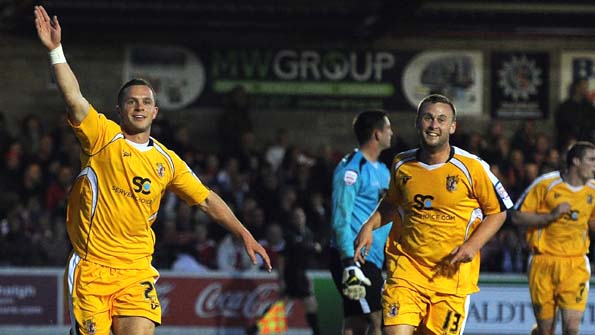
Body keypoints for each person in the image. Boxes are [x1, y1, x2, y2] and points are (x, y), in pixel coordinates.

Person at [34, 6, 271, 335]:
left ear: (156, 111)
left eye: (146, 101)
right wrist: (55, 50)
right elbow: (74, 98)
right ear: (120, 110)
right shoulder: (102, 136)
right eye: (132, 101)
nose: (140, 106)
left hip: (136, 272)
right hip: (92, 270)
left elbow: (205, 199)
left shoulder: (167, 161)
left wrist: (244, 233)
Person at [354, 94, 513, 335]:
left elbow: (498, 212)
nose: (434, 125)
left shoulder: (472, 167)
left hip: (450, 278)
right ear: (418, 122)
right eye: (428, 118)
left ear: (452, 126)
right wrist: (368, 227)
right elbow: (391, 204)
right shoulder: (402, 163)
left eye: (441, 119)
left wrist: (472, 245)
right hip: (406, 271)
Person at [510, 141, 595, 335]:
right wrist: (550, 216)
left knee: (572, 328)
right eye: (591, 159)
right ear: (576, 161)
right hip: (543, 262)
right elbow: (516, 216)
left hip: (576, 264)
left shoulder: (592, 190)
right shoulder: (545, 184)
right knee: (546, 330)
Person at [329, 109, 393, 335]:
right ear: (377, 134)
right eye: (388, 128)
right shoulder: (352, 169)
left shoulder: (383, 170)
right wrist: (349, 264)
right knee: (382, 321)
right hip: (355, 258)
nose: (392, 133)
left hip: (372, 258)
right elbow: (340, 218)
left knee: (356, 324)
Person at [554, 78, 595, 150]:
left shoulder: (589, 107)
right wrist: (568, 139)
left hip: (585, 142)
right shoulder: (564, 107)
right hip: (567, 143)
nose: (586, 89)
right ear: (577, 87)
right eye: (583, 87)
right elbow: (560, 125)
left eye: (586, 87)